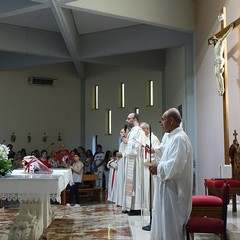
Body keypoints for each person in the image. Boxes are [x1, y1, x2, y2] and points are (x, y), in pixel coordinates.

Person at [148, 108, 193, 240]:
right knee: (164, 223)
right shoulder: (171, 136)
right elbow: (165, 154)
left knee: (171, 227)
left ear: (172, 120)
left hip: (174, 191)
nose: (161, 122)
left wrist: (158, 168)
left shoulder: (179, 139)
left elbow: (176, 165)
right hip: (167, 189)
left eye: (163, 119)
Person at [117, 112, 146, 216]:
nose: (127, 120)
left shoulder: (139, 131)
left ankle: (137, 208)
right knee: (129, 185)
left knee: (135, 185)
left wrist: (127, 142)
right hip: (129, 161)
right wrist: (127, 141)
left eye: (128, 118)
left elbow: (138, 147)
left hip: (135, 163)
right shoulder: (132, 131)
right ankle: (130, 206)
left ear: (134, 119)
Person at [140, 122, 160, 231]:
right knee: (148, 195)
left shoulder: (154, 139)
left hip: (150, 169)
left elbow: (155, 154)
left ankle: (153, 221)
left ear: (147, 129)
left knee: (152, 194)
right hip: (145, 169)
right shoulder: (144, 139)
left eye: (142, 130)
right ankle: (151, 219)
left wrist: (145, 160)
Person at [209, 22, 234, 96]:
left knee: (219, 74)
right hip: (216, 60)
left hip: (220, 59)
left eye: (214, 38)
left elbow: (225, 35)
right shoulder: (215, 45)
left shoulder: (220, 41)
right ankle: (219, 89)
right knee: (216, 74)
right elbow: (209, 41)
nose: (213, 39)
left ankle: (222, 89)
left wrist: (230, 28)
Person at [115, 127, 128, 207]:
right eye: (120, 132)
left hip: (125, 164)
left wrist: (121, 154)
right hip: (120, 164)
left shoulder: (128, 142)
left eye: (123, 132)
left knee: (124, 182)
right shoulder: (121, 143)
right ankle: (120, 201)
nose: (122, 134)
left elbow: (131, 153)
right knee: (120, 182)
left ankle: (124, 202)